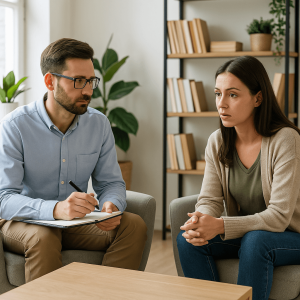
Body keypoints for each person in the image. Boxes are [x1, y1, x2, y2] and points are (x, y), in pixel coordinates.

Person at [0, 38, 147, 282]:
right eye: (79, 81)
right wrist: (55, 209)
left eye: (91, 81)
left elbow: (111, 183)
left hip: (75, 223)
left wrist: (111, 205)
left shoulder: (98, 124)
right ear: (50, 81)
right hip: (24, 222)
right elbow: (4, 198)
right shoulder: (15, 126)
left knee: (133, 225)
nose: (88, 90)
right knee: (44, 236)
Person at [176, 56, 300, 300]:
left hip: (291, 235)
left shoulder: (285, 140)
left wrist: (221, 225)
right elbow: (210, 198)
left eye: (232, 95)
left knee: (256, 241)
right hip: (252, 233)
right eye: (218, 94)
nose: (222, 104)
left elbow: (278, 217)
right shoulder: (218, 141)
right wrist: (201, 220)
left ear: (258, 98)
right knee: (188, 240)